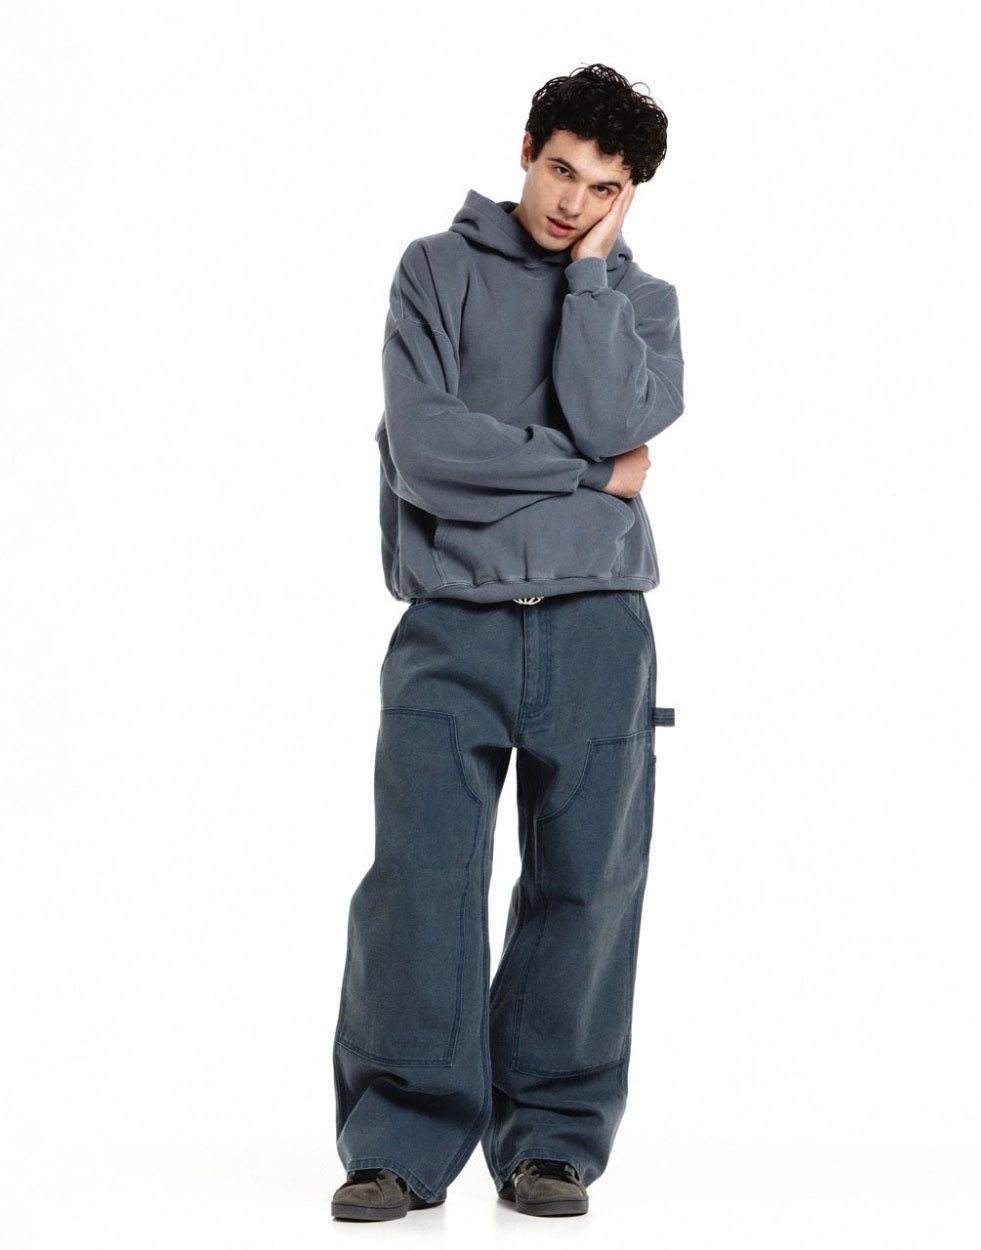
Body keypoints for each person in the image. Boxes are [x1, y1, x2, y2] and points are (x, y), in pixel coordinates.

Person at [331, 62, 685, 1222]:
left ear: (628, 196)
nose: (572, 201)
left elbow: (614, 411)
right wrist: (589, 477)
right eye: (562, 169)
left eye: (604, 187)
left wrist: (589, 284)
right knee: (420, 881)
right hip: (452, 623)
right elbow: (429, 453)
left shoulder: (642, 305)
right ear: (528, 149)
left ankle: (552, 1141)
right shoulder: (435, 271)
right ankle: (397, 1142)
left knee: (588, 886)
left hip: (599, 627)